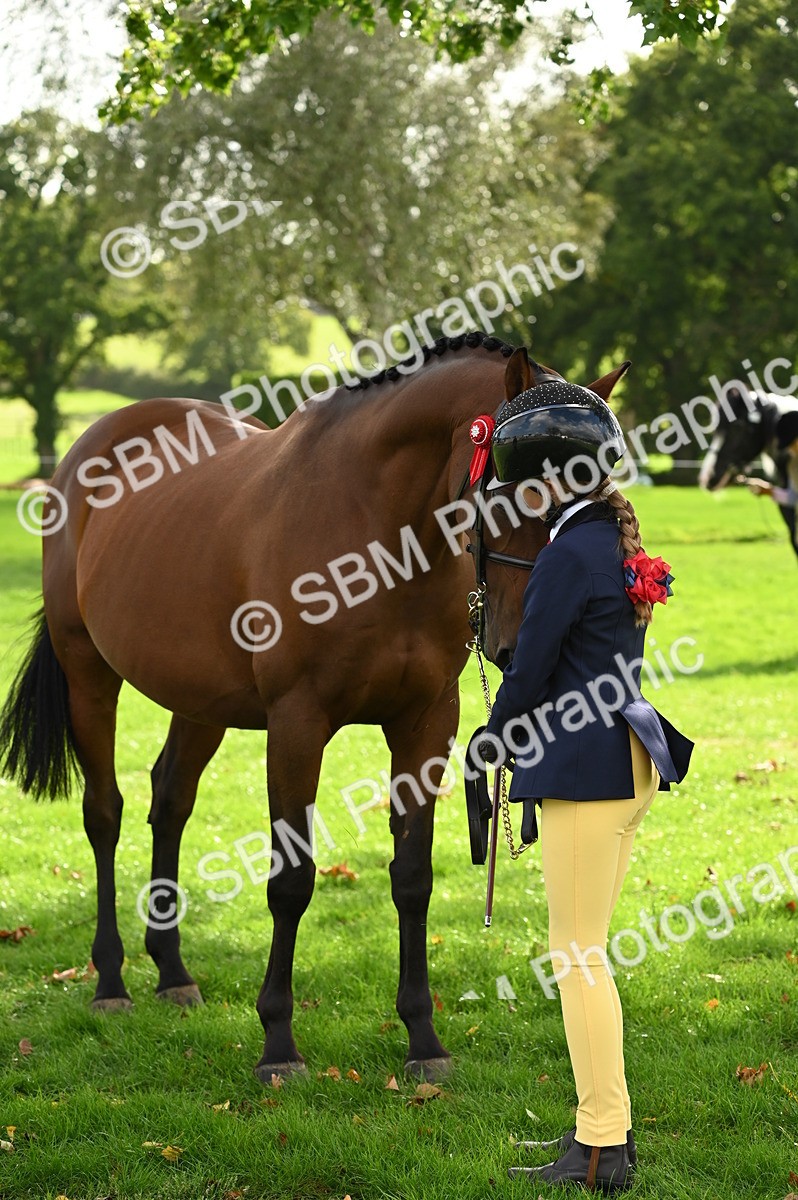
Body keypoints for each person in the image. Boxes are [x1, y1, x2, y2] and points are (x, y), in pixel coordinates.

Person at [481, 379, 693, 1192]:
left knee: (577, 958)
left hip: (586, 772)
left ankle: (601, 1145)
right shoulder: (608, 540)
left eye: (527, 484)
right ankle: (608, 1138)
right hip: (623, 760)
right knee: (585, 953)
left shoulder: (569, 553)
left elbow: (532, 665)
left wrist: (495, 734)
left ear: (556, 479)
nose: (522, 499)